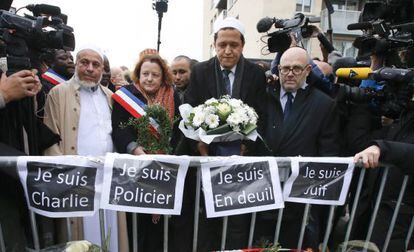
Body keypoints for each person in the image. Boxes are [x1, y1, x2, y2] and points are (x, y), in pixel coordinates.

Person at [184, 16, 267, 251]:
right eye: (223, 45)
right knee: (208, 217)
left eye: (234, 45)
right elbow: (189, 112)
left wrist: (246, 146)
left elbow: (262, 113)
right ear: (214, 44)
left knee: (237, 219)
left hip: (241, 162)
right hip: (207, 158)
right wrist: (199, 145)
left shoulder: (255, 73)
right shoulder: (200, 71)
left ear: (242, 46)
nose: (228, 51)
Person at [256, 46, 340, 250]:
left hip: (300, 197)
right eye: (285, 68)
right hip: (262, 190)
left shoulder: (324, 105)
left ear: (308, 71)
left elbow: (328, 151)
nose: (290, 73)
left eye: (296, 68)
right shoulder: (263, 97)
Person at [43, 45, 126, 251]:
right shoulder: (58, 93)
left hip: (108, 178)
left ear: (102, 69)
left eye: (96, 65)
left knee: (110, 230)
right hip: (76, 179)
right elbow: (49, 138)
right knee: (80, 237)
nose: (90, 68)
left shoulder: (110, 96)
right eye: (84, 63)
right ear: (76, 64)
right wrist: (63, 176)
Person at [111, 52, 180, 251]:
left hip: (164, 168)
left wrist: (169, 154)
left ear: (163, 76)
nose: (149, 79)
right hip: (135, 169)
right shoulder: (127, 95)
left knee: (160, 229)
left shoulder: (173, 95)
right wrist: (135, 149)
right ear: (138, 75)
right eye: (145, 74)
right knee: (137, 224)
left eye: (155, 75)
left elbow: (178, 129)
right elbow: (119, 127)